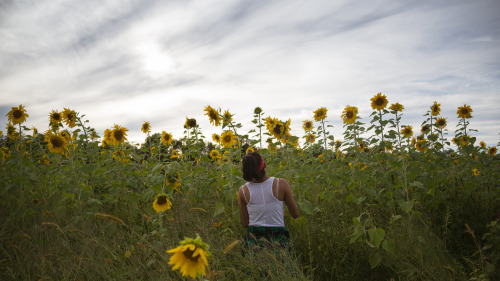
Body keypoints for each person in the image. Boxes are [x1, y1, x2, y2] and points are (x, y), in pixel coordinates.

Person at [237, 152, 299, 249]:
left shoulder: (243, 191)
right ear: (264, 165)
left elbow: (245, 224)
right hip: (278, 240)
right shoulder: (281, 184)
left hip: (254, 242)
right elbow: (295, 214)